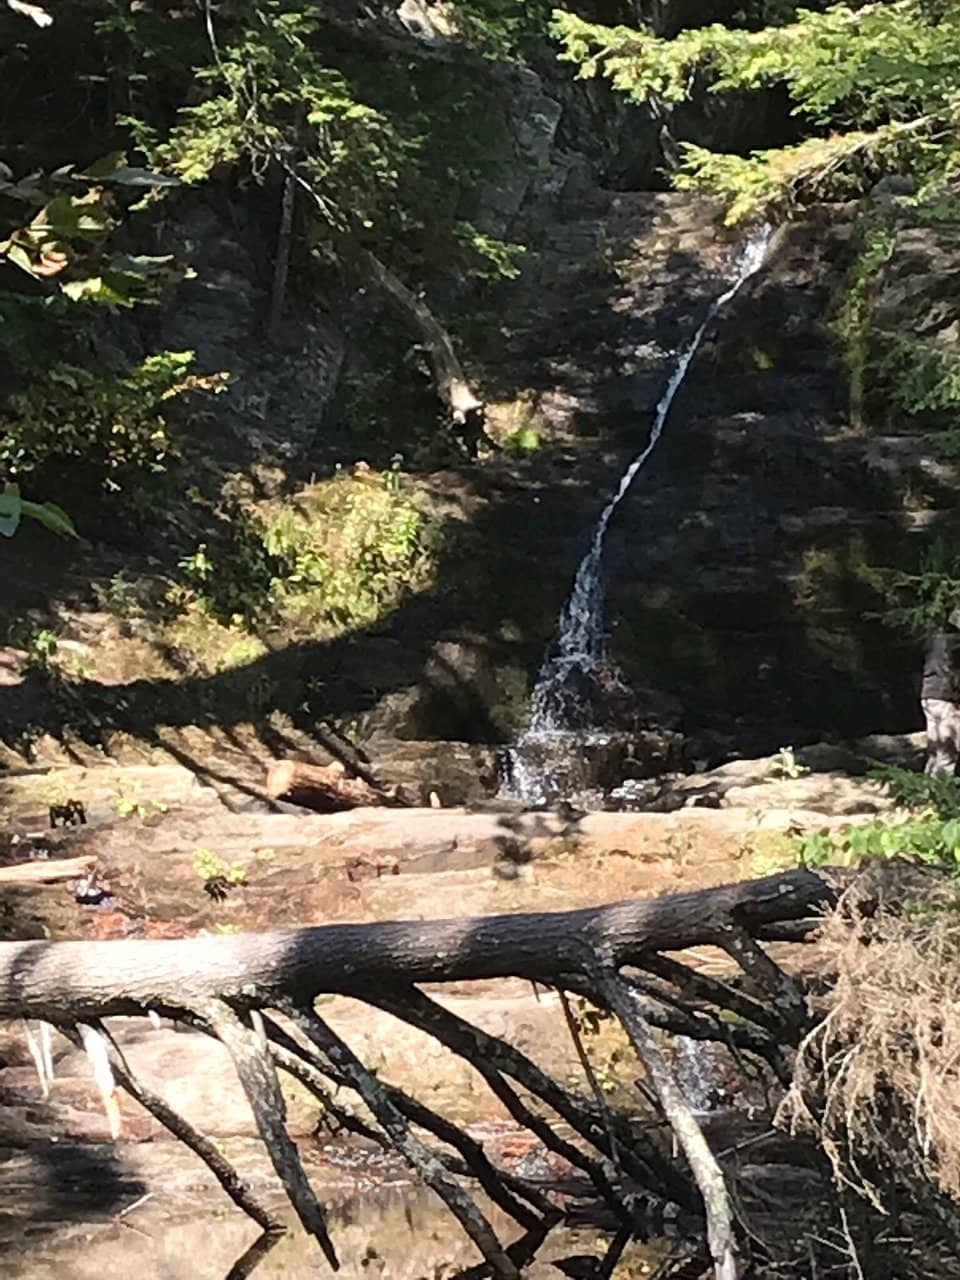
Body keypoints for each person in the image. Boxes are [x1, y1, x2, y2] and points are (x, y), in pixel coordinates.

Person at [922, 611, 960, 774]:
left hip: (928, 695)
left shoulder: (934, 640)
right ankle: (944, 794)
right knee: (947, 750)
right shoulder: (955, 642)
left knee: (935, 749)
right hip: (945, 697)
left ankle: (926, 789)